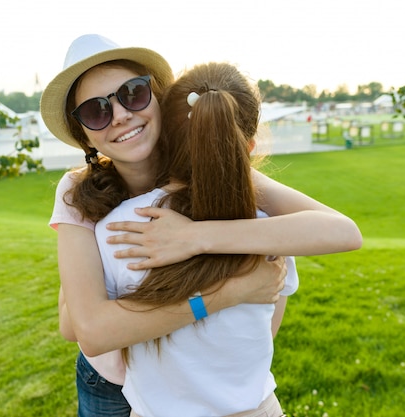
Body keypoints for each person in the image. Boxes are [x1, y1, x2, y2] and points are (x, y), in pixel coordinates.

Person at [41, 34, 362, 417]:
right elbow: (76, 324)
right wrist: (230, 292)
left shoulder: (213, 173)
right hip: (109, 378)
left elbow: (342, 231)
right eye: (96, 111)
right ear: (84, 135)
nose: (121, 114)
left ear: (157, 95)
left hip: (176, 386)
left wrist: (194, 237)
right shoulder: (79, 191)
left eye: (132, 93)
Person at [95, 62, 301, 417]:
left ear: (166, 138)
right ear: (248, 146)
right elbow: (267, 330)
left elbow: (101, 347)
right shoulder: (272, 230)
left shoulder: (117, 231)